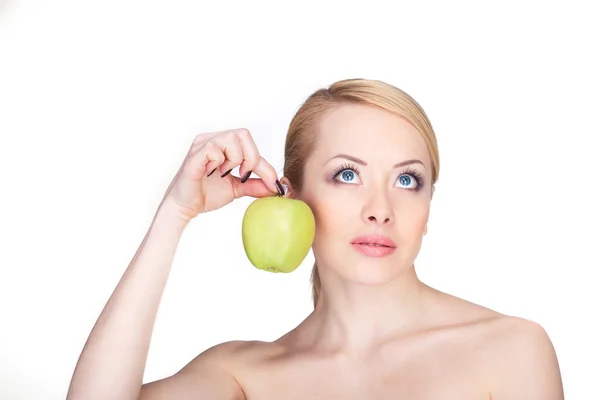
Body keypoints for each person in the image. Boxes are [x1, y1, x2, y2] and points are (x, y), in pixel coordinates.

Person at [66, 78, 564, 399]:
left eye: (407, 180)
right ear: (293, 195)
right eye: (347, 175)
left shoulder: (512, 349)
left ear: (428, 208)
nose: (380, 210)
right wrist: (175, 214)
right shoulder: (244, 375)